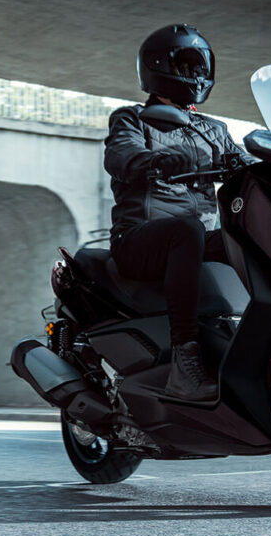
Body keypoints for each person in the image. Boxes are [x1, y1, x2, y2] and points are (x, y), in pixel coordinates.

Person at [103, 24, 248, 403]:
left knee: (253, 234)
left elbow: (244, 163)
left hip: (195, 240)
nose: (197, 74)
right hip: (140, 240)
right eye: (187, 65)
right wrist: (155, 159)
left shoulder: (212, 129)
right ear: (158, 67)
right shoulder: (131, 118)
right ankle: (186, 363)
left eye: (201, 66)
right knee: (186, 230)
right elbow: (122, 155)